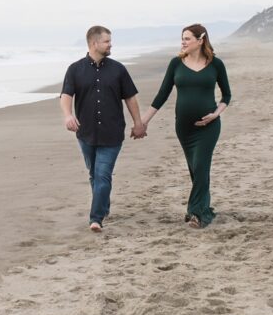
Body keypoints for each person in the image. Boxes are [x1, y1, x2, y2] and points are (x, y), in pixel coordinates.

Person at [140, 23, 232, 229]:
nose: (183, 42)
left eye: (187, 38)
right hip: (184, 129)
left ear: (201, 40)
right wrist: (143, 122)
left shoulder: (216, 65)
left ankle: (197, 214)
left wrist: (215, 114)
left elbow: (227, 95)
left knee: (200, 167)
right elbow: (162, 95)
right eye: (182, 38)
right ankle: (202, 208)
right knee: (195, 170)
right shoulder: (176, 64)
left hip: (208, 127)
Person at [60, 25, 147, 233]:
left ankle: (96, 218)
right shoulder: (75, 69)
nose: (110, 44)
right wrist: (68, 115)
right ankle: (103, 205)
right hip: (85, 133)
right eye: (107, 41)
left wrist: (138, 123)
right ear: (94, 43)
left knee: (102, 174)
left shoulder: (118, 69)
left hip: (112, 133)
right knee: (94, 174)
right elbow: (66, 95)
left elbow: (130, 98)